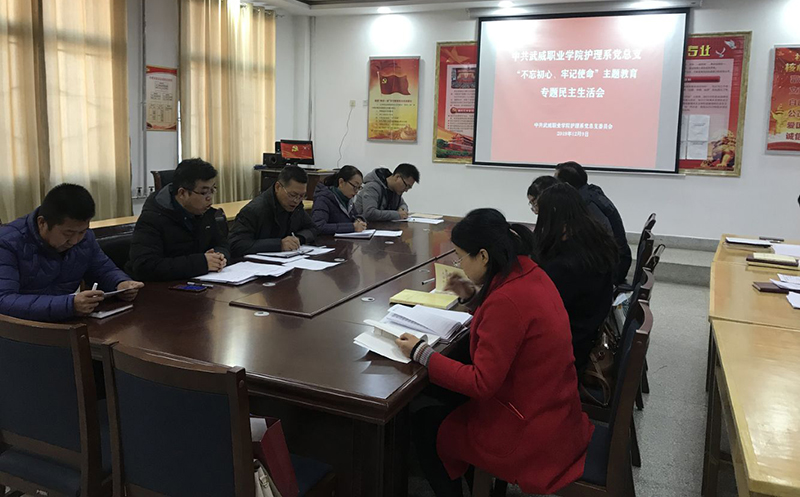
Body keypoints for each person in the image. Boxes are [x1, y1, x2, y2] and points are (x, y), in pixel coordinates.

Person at [395, 209, 593, 497]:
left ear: (484, 256)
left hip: (526, 430)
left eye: (460, 257)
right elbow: (504, 320)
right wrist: (470, 294)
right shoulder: (530, 273)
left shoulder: (507, 301)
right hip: (554, 411)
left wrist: (421, 352)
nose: (459, 265)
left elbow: (481, 383)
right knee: (444, 396)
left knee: (426, 424)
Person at [0, 184, 144, 322]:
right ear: (42, 223)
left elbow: (103, 269)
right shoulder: (7, 243)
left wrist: (121, 284)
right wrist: (68, 305)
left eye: (82, 232)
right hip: (18, 330)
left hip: (63, 323)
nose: (75, 240)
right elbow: (4, 300)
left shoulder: (85, 239)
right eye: (68, 233)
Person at [532, 184, 618, 372]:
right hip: (588, 332)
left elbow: (540, 312)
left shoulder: (565, 265)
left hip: (569, 348)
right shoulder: (596, 240)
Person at [126, 158, 230, 281]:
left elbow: (222, 243)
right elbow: (145, 266)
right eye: (204, 192)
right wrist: (202, 263)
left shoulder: (205, 212)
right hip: (160, 288)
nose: (210, 198)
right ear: (182, 193)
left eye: (213, 190)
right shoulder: (152, 218)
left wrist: (219, 256)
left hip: (198, 281)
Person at [555, 161, 632, 284]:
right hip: (616, 258)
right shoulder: (591, 192)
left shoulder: (586, 204)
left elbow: (601, 241)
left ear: (566, 185)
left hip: (613, 266)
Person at [229, 165, 317, 258]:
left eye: (302, 196)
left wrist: (299, 239)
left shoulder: (297, 207)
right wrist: (279, 244)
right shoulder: (254, 210)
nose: (296, 200)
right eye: (292, 195)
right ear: (278, 187)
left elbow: (313, 228)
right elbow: (236, 244)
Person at [311, 165, 368, 235]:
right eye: (355, 186)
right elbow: (318, 227)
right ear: (341, 182)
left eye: (359, 188)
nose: (356, 191)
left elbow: (356, 216)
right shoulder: (323, 199)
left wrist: (359, 220)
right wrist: (352, 227)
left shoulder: (347, 199)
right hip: (328, 240)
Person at [353, 163, 419, 222]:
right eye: (406, 185)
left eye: (409, 187)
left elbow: (402, 204)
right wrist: (398, 215)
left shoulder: (395, 190)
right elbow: (370, 213)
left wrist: (403, 209)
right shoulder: (372, 187)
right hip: (365, 227)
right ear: (397, 177)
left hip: (383, 227)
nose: (406, 190)